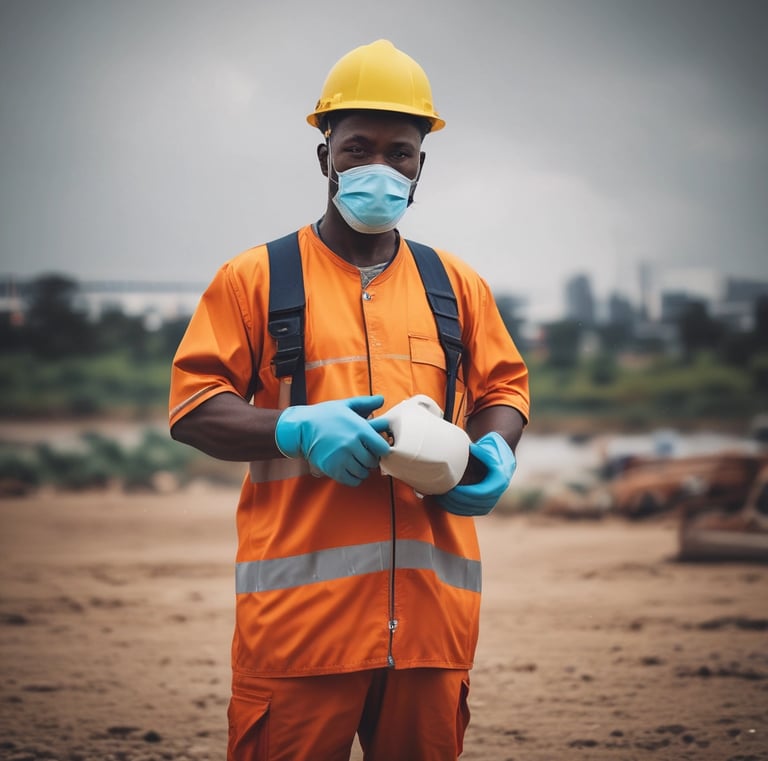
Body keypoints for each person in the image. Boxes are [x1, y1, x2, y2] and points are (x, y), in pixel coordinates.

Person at [169, 39, 530, 761]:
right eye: (357, 146)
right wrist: (294, 428)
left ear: (421, 166)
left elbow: (503, 387)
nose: (380, 166)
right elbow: (194, 406)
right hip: (301, 631)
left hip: (432, 630)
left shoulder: (454, 286)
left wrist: (495, 445)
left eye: (400, 152)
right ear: (324, 155)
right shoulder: (255, 278)